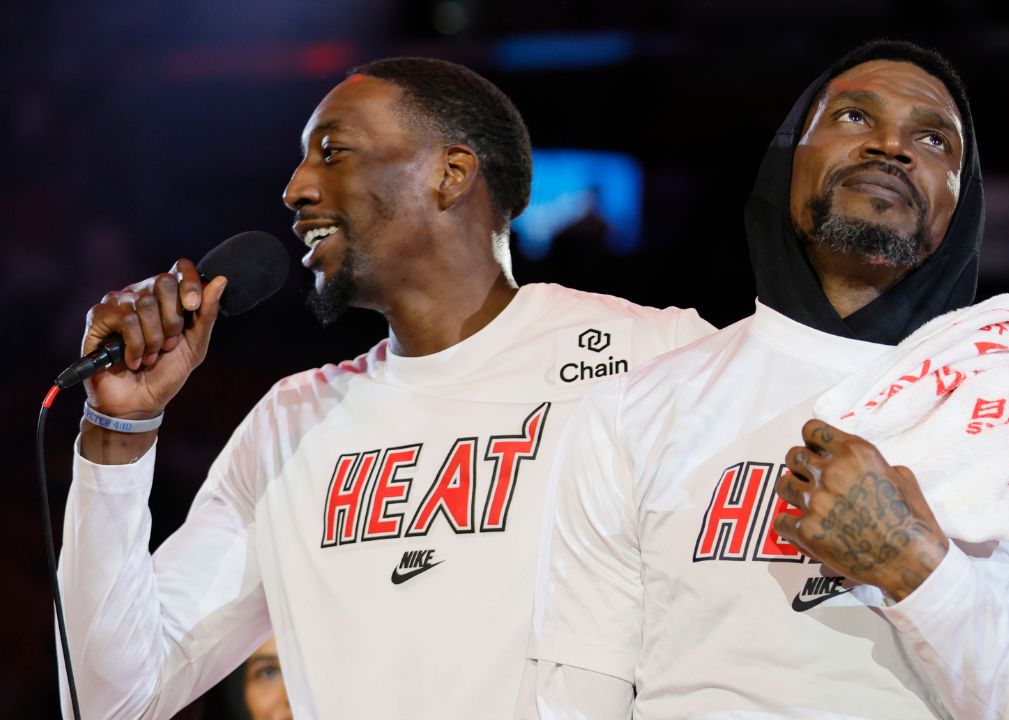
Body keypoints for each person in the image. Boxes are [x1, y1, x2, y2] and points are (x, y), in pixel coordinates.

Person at [525, 40, 1009, 719]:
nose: (891, 146)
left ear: (964, 202)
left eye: (932, 138)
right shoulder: (632, 408)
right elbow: (580, 694)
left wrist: (915, 567)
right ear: (788, 158)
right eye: (855, 118)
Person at [56, 58, 713, 718]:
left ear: (449, 174)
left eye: (332, 151)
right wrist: (118, 434)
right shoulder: (290, 423)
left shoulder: (653, 358)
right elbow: (110, 701)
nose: (294, 189)